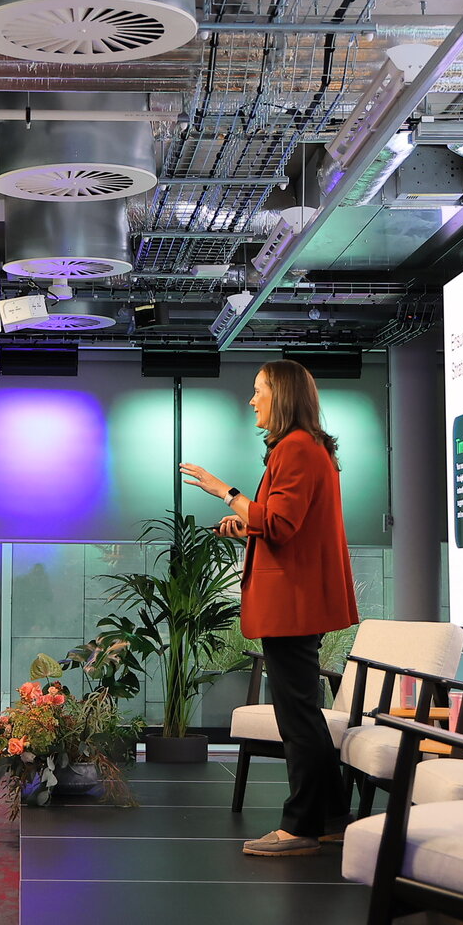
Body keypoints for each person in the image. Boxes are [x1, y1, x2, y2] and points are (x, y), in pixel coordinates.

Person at [180, 359, 357, 857]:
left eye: (259, 390)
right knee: (302, 713)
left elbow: (279, 524)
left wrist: (225, 491)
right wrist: (246, 525)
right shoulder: (306, 447)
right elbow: (283, 525)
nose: (252, 399)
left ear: (281, 395)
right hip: (299, 600)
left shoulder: (296, 447)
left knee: (297, 717)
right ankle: (332, 818)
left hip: (294, 604)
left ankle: (300, 826)